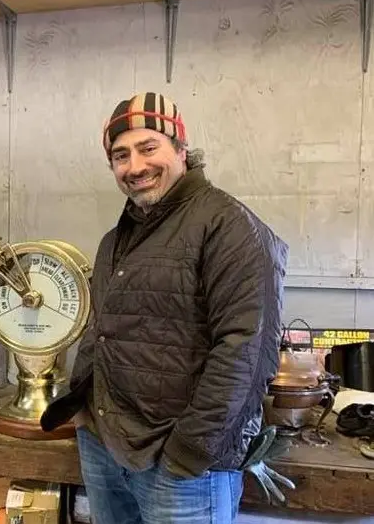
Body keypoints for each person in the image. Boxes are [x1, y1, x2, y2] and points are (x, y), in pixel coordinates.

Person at [41, 92, 289, 523]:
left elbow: (245, 353)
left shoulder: (230, 228)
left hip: (178, 465)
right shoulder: (113, 241)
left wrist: (189, 452)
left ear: (180, 148)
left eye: (148, 147)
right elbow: (102, 334)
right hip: (104, 446)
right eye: (121, 155)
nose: (134, 166)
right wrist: (84, 414)